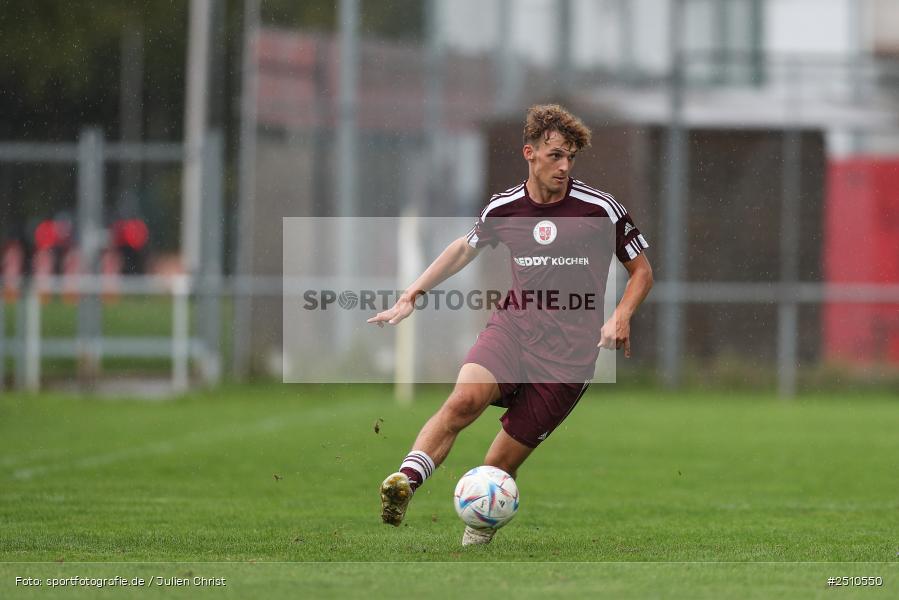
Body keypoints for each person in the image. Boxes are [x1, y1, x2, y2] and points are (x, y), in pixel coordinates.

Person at [368, 104, 653, 546]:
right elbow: (463, 249)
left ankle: (476, 535)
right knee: (463, 401)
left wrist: (621, 314)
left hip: (566, 361)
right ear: (529, 153)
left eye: (570, 157)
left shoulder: (600, 209)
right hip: (513, 332)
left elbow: (642, 271)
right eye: (555, 155)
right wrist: (412, 293)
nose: (564, 166)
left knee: (497, 467)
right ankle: (405, 482)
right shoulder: (505, 207)